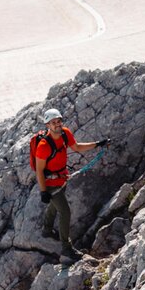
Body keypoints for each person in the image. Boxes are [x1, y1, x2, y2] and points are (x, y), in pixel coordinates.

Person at [36, 108, 110, 260]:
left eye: (58, 121)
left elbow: (76, 147)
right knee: (65, 211)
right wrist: (43, 191)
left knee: (55, 204)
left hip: (62, 178)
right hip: (51, 183)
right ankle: (66, 248)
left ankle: (47, 229)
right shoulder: (43, 146)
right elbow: (39, 171)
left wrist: (97, 144)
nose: (57, 125)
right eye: (53, 123)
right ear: (47, 125)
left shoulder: (65, 133)